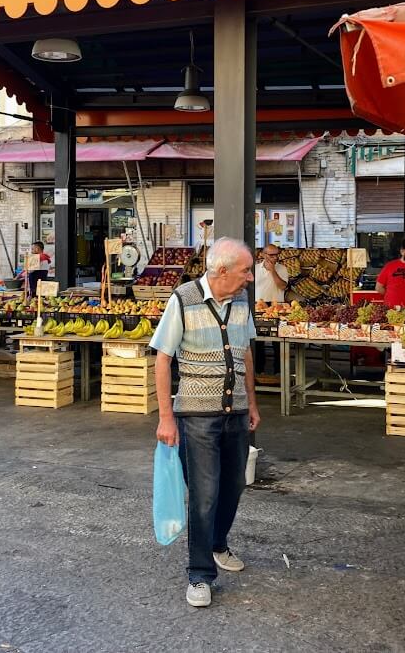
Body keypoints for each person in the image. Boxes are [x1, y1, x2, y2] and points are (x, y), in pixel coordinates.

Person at [151, 237, 261, 609]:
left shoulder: (242, 302)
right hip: (196, 416)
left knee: (234, 486)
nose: (250, 277)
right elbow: (162, 359)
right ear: (222, 270)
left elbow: (245, 353)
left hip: (237, 413)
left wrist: (254, 405)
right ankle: (199, 574)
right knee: (204, 494)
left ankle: (217, 544)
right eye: (246, 270)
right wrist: (166, 417)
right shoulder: (182, 299)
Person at [253, 244, 288, 374]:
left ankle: (279, 372)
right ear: (263, 254)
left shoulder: (282, 269)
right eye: (271, 255)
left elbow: (283, 286)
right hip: (259, 305)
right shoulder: (255, 269)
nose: (274, 257)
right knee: (258, 341)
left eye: (276, 255)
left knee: (278, 341)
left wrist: (272, 270)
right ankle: (259, 371)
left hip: (277, 305)